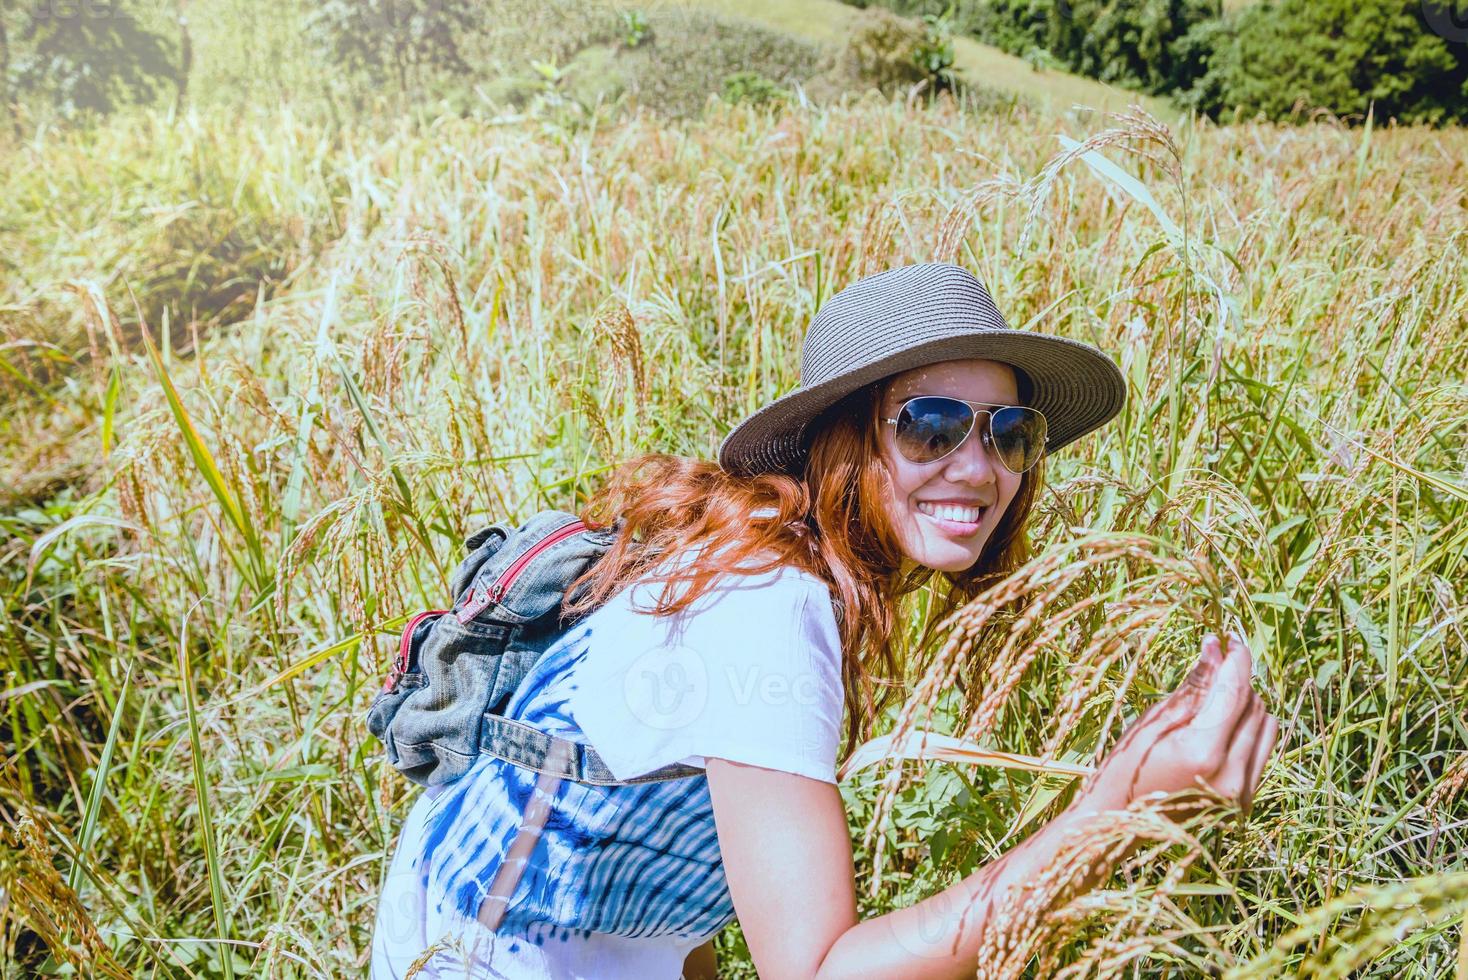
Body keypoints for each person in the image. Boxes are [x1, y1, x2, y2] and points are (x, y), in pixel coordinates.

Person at [370, 262, 1279, 979]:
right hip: (486, 958)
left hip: (574, 938)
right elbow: (818, 971)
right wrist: (1119, 804)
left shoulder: (771, 553)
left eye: (1008, 433)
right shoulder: (771, 604)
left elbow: (690, 856)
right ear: (845, 441)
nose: (979, 466)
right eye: (930, 425)